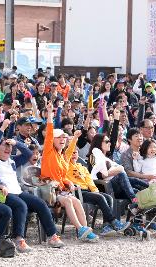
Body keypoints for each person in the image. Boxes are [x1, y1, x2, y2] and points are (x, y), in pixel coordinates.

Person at [0, 119, 65, 251]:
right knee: (21, 206)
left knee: (41, 204)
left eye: (9, 147)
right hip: (4, 193)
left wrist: (16, 143)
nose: (8, 149)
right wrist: (2, 129)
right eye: (5, 146)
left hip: (18, 192)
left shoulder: (12, 160)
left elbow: (28, 153)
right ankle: (18, 238)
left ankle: (52, 236)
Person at [41, 101, 98, 242]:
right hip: (48, 190)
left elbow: (69, 151)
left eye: (64, 138)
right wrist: (49, 114)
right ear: (52, 140)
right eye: (59, 137)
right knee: (67, 200)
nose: (62, 139)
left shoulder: (62, 156)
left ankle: (84, 231)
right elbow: (49, 132)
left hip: (59, 191)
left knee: (76, 201)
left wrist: (67, 181)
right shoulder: (48, 152)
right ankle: (80, 228)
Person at [66, 149, 130, 236]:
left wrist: (95, 191)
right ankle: (114, 221)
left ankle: (106, 226)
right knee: (100, 198)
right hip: (76, 192)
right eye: (71, 152)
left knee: (108, 197)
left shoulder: (82, 167)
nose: (73, 154)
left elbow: (90, 182)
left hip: (87, 191)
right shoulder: (65, 166)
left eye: (75, 152)